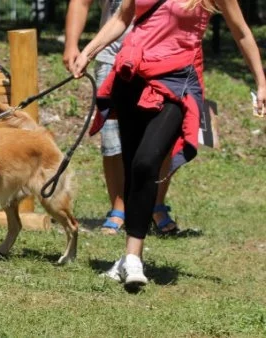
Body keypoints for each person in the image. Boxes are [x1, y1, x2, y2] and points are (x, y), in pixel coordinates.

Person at [71, 0, 266, 288]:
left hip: (177, 83)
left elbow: (242, 32)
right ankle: (131, 257)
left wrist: (261, 82)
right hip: (131, 76)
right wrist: (87, 51)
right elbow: (122, 18)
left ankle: (133, 259)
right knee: (132, 165)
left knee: (147, 161)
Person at [63, 0, 179, 236]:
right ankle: (119, 206)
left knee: (162, 137)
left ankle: (156, 205)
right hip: (113, 55)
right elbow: (82, 3)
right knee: (113, 139)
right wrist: (72, 44)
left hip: (164, 57)